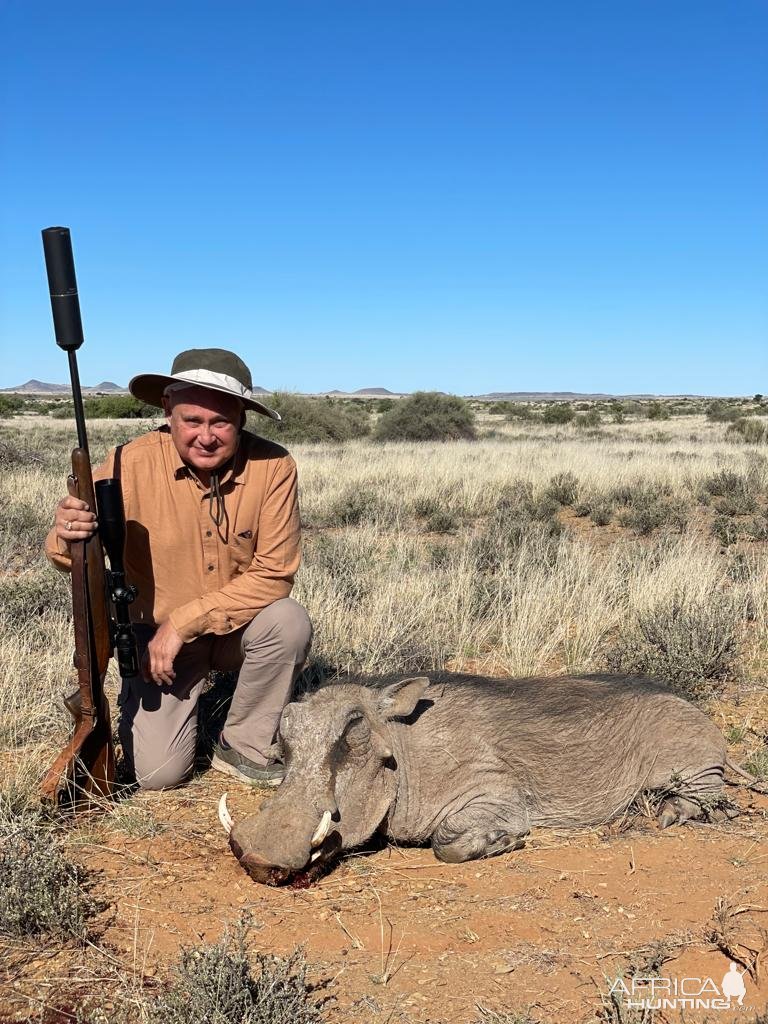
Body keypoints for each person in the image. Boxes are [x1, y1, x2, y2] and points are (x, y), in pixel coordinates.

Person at [45, 348, 312, 790]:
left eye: (220, 422)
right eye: (192, 420)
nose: (206, 436)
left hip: (234, 630)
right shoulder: (123, 464)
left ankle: (243, 743)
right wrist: (66, 532)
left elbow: (276, 575)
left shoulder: (274, 466)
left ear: (242, 418)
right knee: (158, 776)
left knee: (289, 622)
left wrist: (183, 623)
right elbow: (63, 555)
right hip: (155, 646)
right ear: (168, 410)